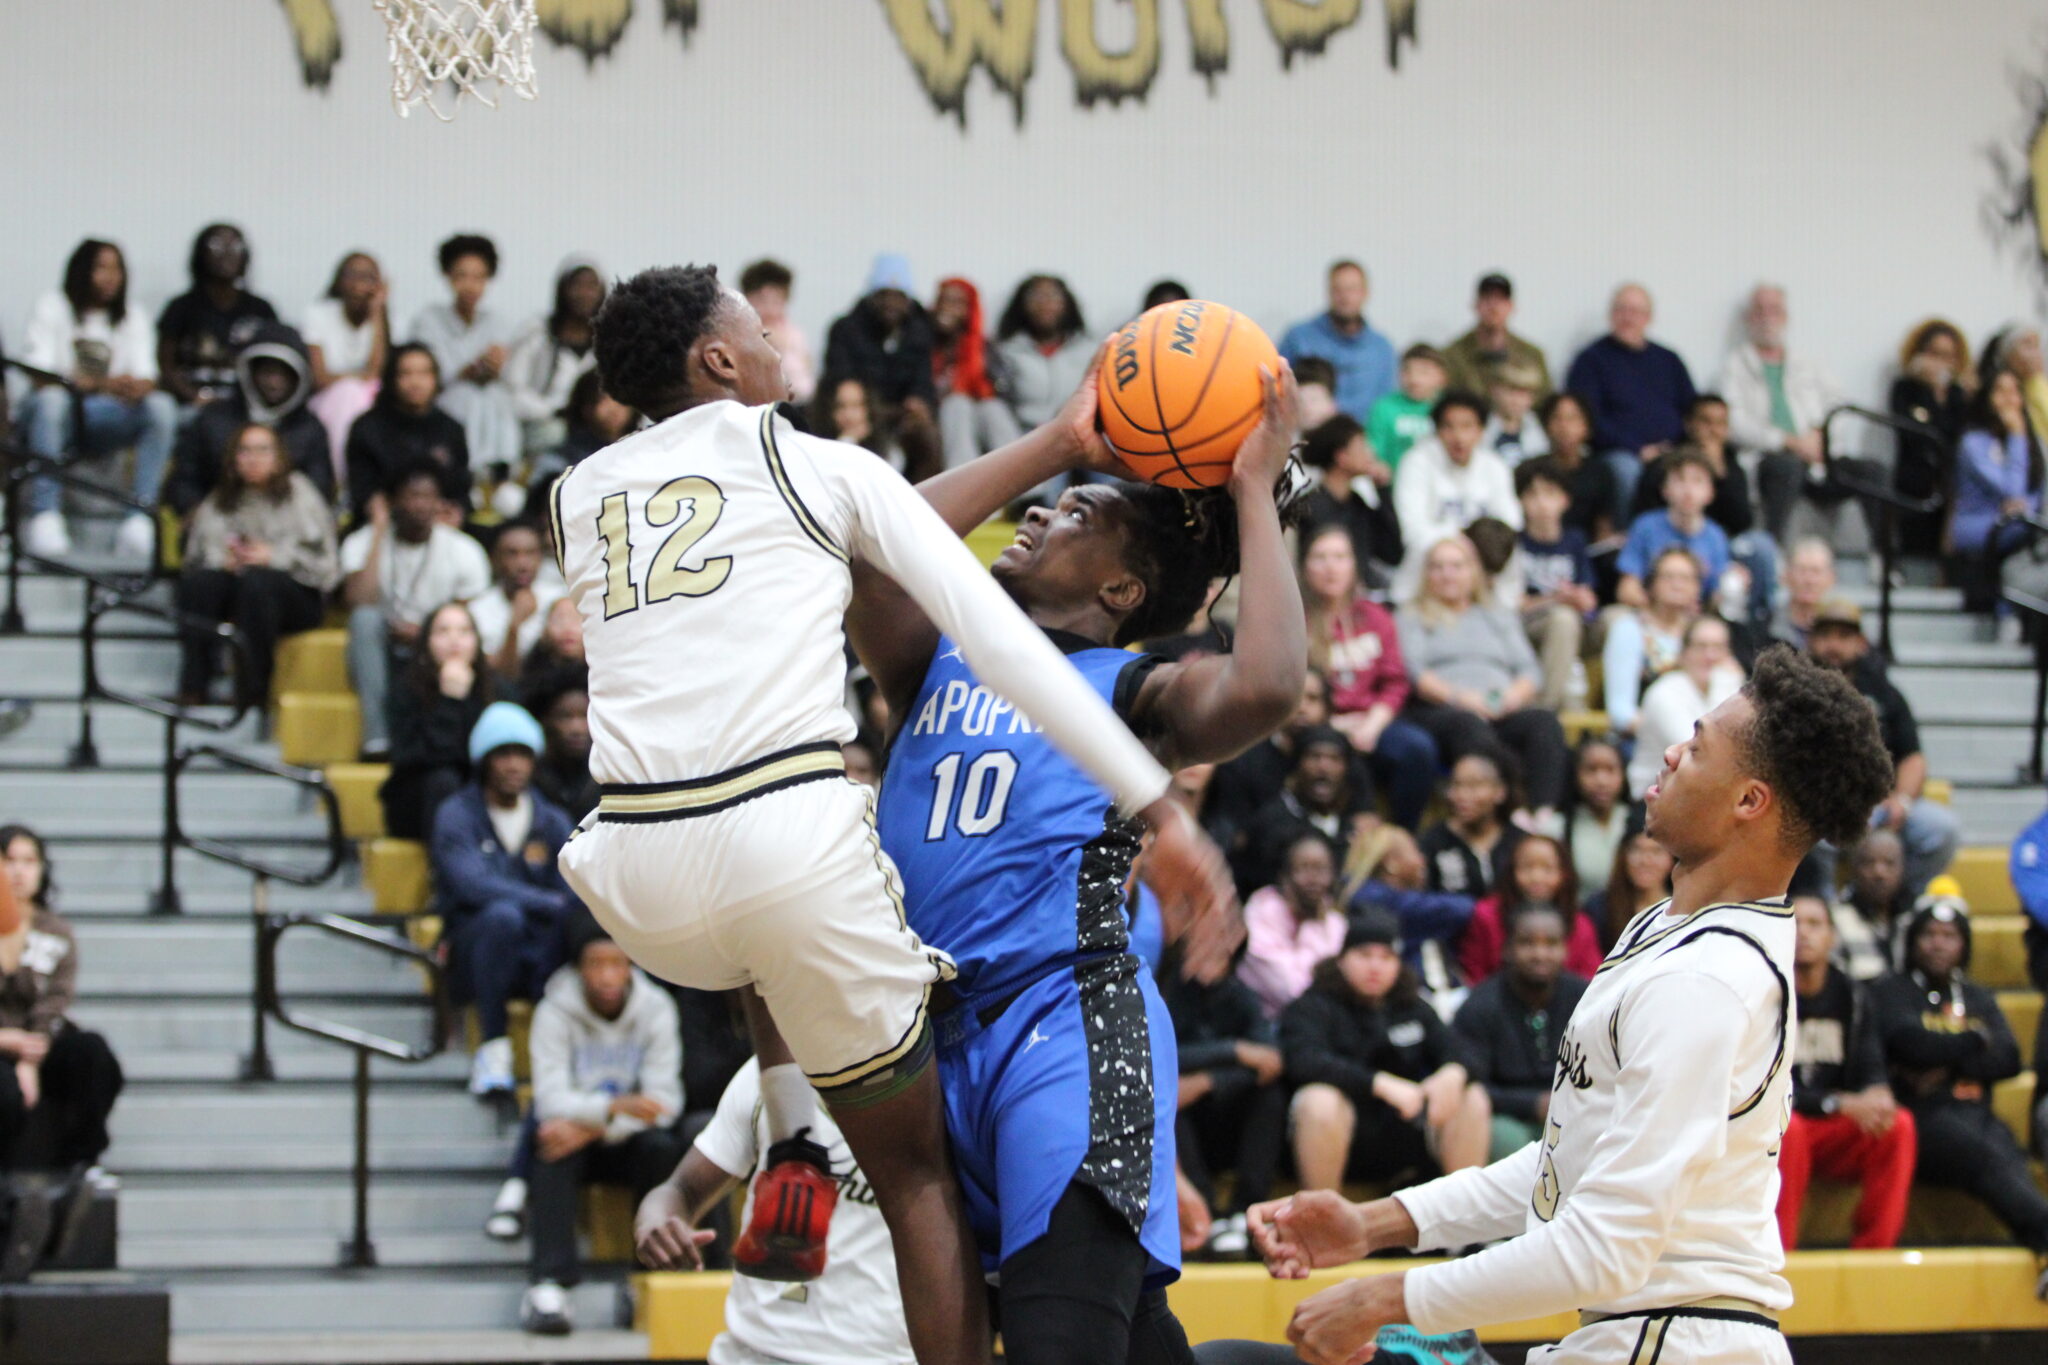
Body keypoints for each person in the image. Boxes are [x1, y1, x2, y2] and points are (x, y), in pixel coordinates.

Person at [553, 265, 1232, 1364]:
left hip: (630, 868)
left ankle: (792, 1140)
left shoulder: (579, 489)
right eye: (754, 320)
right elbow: (1001, 641)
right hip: (776, 836)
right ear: (719, 361)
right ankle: (803, 1151)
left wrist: (1057, 447)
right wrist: (1164, 807)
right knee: (913, 1169)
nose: (776, 330)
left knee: (782, 951)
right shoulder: (805, 460)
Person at [1248, 646, 1899, 1364]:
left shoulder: (1706, 983)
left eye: (1699, 745)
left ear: (1750, 800)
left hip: (1679, 1341)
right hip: (1633, 1334)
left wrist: (1386, 1298)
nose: (1674, 752)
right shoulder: (1666, 929)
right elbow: (1571, 1155)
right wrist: (1373, 1225)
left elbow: (1606, 1247)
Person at [850, 354, 1304, 1364]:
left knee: (1059, 1341)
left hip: (1064, 1025)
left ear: (1120, 586)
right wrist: (1059, 442)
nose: (1043, 512)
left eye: (1077, 510)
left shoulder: (1131, 690)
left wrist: (1251, 493)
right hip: (931, 1041)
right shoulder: (933, 655)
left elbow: (1268, 684)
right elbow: (865, 541)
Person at [635, 1056, 911, 1364]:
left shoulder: (937, 1076)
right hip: (757, 1351)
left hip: (886, 1355)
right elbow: (681, 1189)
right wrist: (655, 1221)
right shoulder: (769, 1073)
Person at [1873, 898, 2048, 1293]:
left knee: (2007, 1150)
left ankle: (2042, 1247)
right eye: (1929, 935)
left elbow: (2009, 1058)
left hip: (1974, 1115)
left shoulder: (1978, 996)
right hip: (1919, 1119)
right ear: (1913, 940)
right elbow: (1907, 1043)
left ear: (1964, 945)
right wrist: (1974, 1040)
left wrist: (1946, 1061)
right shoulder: (1891, 990)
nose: (1938, 944)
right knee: (1981, 1151)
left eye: (1949, 936)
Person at [519, 912, 682, 1334]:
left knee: (663, 1147)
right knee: (550, 1145)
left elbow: (666, 1102)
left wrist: (595, 1123)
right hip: (578, 1146)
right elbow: (551, 1099)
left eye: (619, 963)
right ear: (579, 968)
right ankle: (550, 1287)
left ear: (632, 966)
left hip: (623, 1142)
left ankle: (647, 1276)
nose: (609, 975)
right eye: (598, 964)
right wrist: (619, 1107)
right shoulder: (554, 1011)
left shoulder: (656, 1007)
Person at [1281, 911, 1492, 1191]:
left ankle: (1466, 1222)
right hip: (1336, 1133)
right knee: (1320, 1099)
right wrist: (1379, 1084)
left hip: (1403, 1130)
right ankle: (1322, 1218)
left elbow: (1466, 1050)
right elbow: (1302, 1060)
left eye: (1386, 957)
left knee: (1470, 1095)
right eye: (1365, 955)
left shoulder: (1411, 1005)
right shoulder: (1313, 1004)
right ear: (1342, 958)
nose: (1375, 966)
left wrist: (1453, 1073)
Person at [431, 702, 579, 1095]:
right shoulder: (457, 814)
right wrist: (545, 902)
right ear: (484, 761)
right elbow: (471, 886)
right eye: (503, 755)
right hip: (472, 948)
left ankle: (567, 1062)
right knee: (503, 917)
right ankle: (493, 1048)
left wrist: (556, 907)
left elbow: (569, 891)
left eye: (523, 755)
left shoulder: (552, 820)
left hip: (536, 950)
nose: (514, 765)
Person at [17, 238, 176, 560]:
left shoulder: (132, 314)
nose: (110, 277)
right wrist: (103, 384)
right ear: (81, 270)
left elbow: (147, 376)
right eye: (101, 268)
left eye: (117, 269)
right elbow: (41, 376)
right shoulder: (54, 305)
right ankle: (45, 515)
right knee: (52, 402)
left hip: (109, 415)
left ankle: (139, 517)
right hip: (59, 414)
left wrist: (136, 387)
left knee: (161, 407)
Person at [1774, 895, 1915, 1252]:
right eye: (1795, 923)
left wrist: (1877, 1091)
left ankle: (1874, 1254)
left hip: (1830, 1128)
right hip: (1775, 1129)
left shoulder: (1852, 995)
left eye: (1814, 924)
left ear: (1833, 938)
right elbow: (1761, 1086)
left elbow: (1870, 1067)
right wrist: (1836, 1102)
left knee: (1898, 1125)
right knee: (1789, 1130)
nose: (1803, 933)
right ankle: (1775, 1257)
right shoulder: (1764, 994)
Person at [1397, 535, 1568, 815]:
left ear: (1473, 571)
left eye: (1456, 566)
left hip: (1500, 706)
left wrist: (1511, 697)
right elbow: (1414, 671)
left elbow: (1529, 670)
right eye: (1438, 567)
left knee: (1544, 723)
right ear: (1426, 574)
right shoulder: (1411, 615)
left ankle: (1543, 815)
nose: (1447, 574)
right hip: (1443, 711)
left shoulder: (1497, 615)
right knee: (1469, 725)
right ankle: (1512, 805)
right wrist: (1461, 698)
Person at [175, 422, 339, 706]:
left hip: (296, 595)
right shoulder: (222, 497)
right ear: (233, 459)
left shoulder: (300, 493)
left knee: (258, 582)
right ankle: (195, 685)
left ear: (278, 458)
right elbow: (195, 557)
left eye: (263, 450)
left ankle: (253, 694)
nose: (253, 458)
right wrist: (224, 560)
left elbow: (327, 567)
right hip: (239, 586)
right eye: (245, 451)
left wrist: (273, 556)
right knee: (201, 584)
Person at [1806, 597, 1960, 896]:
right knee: (1811, 839)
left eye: (1843, 636)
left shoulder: (1883, 692)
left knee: (1941, 829)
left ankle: (1898, 904)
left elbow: (1912, 757)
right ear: (1811, 641)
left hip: (1882, 806)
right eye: (1825, 636)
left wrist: (1901, 801)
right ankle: (1827, 910)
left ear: (1861, 643)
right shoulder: (1796, 688)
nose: (1833, 646)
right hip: (1822, 808)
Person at [340, 463, 491, 760]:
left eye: (428, 496)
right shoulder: (362, 541)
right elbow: (359, 599)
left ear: (440, 503)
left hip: (435, 651)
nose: (420, 504)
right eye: (412, 496)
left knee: (454, 629)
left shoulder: (464, 549)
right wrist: (379, 529)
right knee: (364, 620)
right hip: (381, 650)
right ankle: (377, 739)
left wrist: (425, 634)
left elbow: (468, 618)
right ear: (393, 501)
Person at [0, 826, 124, 1172]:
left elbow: (56, 1000)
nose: (18, 871)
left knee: (92, 1054)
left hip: (40, 1042)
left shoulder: (55, 931)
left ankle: (79, 1168)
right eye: (8, 861)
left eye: (29, 861)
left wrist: (30, 1057)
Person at [1299, 528, 1436, 829]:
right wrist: (1330, 724)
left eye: (1339, 557)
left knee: (1418, 749)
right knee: (1339, 758)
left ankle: (1403, 834)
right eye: (1320, 558)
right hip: (1317, 726)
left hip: (1373, 721)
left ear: (1354, 565)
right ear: (1304, 567)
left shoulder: (1375, 616)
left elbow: (1395, 682)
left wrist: (1372, 725)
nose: (1331, 567)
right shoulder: (1293, 620)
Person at [1160, 939, 1289, 1239]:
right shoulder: (1167, 993)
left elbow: (1270, 1061)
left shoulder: (1242, 996)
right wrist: (1236, 1051)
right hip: (1183, 1122)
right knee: (1168, 1099)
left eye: (1218, 951)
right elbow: (1160, 1053)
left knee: (1271, 1097)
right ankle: (1203, 1208)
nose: (1209, 959)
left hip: (1229, 1114)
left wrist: (1208, 1082)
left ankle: (1249, 1208)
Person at [1453, 902, 1588, 1160]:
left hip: (1573, 1114)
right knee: (1506, 1139)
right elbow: (1470, 1087)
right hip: (1505, 1117)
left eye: (1551, 944)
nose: (1540, 954)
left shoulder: (1585, 998)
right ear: (1507, 949)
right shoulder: (1481, 1005)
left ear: (1565, 949)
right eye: (1527, 943)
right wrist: (1533, 1104)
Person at [163, 320, 333, 516]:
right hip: (220, 524)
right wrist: (195, 511)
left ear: (299, 377)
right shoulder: (212, 420)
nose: (274, 382)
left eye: (284, 374)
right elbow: (184, 480)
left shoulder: (311, 429)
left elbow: (318, 493)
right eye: (268, 372)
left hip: (286, 531)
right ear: (250, 372)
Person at [1723, 285, 1847, 546]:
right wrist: (1786, 441)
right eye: (1760, 310)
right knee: (1786, 465)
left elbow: (1839, 406)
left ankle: (1883, 556)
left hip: (1818, 456)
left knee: (1872, 471)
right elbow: (1733, 423)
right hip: (1769, 458)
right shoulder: (1733, 367)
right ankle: (1774, 548)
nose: (1768, 318)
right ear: (1748, 319)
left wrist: (1819, 437)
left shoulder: (1809, 365)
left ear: (1786, 317)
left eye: (1775, 310)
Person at [1563, 283, 1696, 513]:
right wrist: (1637, 449)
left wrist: (1676, 447)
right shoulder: (1591, 360)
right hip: (1617, 453)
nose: (1628, 318)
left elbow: (1691, 410)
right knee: (1626, 470)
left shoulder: (1669, 360)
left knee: (1695, 470)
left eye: (1636, 312)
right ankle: (1632, 539)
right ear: (1611, 315)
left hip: (1672, 450)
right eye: (1621, 310)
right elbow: (1588, 418)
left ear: (1649, 317)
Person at [383, 600, 499, 841]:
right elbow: (416, 757)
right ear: (426, 642)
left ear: (477, 642)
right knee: (443, 780)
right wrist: (450, 701)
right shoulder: (405, 689)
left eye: (464, 631)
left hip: (482, 789)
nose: (454, 640)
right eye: (442, 631)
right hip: (418, 798)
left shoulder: (496, 689)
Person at [412, 233, 522, 470]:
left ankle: (500, 470)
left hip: (488, 400)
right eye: (462, 275)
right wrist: (469, 370)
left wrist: (494, 368)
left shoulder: (497, 322)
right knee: (469, 397)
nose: (470, 285)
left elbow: (508, 376)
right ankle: (469, 468)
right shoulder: (429, 319)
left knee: (494, 396)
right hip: (448, 399)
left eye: (479, 277)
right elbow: (430, 375)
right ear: (448, 276)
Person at [1343, 825, 1478, 1003]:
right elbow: (1463, 908)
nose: (1422, 860)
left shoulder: (1366, 892)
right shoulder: (1376, 899)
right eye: (1415, 851)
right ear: (1391, 864)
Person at [343, 343, 472, 526]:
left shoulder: (451, 429)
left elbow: (461, 490)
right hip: (382, 524)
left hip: (440, 526)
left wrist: (456, 512)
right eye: (406, 374)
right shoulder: (367, 428)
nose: (416, 382)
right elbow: (362, 492)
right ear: (391, 379)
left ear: (435, 379)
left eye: (424, 373)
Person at [155, 223, 277, 409]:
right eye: (217, 245)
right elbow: (166, 366)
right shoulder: (181, 307)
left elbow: (275, 364)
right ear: (201, 254)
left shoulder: (261, 309)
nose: (227, 253)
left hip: (247, 406)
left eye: (236, 246)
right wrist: (193, 396)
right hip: (191, 403)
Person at [1237, 728, 1370, 898]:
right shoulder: (1270, 822)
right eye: (1314, 757)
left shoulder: (1351, 828)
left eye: (1334, 759)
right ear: (1296, 765)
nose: (1324, 767)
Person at [1457, 833, 1604, 985]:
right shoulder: (1486, 916)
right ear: (1511, 871)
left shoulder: (1580, 925)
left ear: (1564, 874)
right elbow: (1474, 977)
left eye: (1548, 869)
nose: (1537, 878)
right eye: (1527, 867)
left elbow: (1592, 984)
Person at [1951, 367, 2043, 608]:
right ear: (1987, 398)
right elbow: (2011, 490)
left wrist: (2027, 507)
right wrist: (2016, 435)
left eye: (2014, 392)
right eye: (2000, 391)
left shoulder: (2035, 444)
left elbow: (2037, 493)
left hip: (2019, 522)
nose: (2009, 399)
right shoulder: (1973, 443)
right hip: (1979, 523)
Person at [1628, 616, 1743, 799]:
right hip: (1654, 798)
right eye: (1701, 646)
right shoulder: (1663, 692)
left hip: (1705, 796)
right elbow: (1698, 751)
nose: (1710, 656)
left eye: (1718, 648)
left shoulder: (1727, 684)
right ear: (1684, 652)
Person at [1238, 831, 1349, 1021]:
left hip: (1325, 1022)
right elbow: (1291, 991)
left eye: (1322, 869)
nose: (1313, 879)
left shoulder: (1335, 923)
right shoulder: (1260, 914)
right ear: (1285, 875)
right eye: (1304, 868)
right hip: (1268, 1024)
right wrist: (1310, 927)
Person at [1514, 459, 1596, 711]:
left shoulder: (1575, 540)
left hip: (1577, 623)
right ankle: (1546, 708)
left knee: (1618, 619)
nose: (1542, 503)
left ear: (1565, 500)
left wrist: (1578, 598)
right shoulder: (1516, 543)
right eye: (1532, 495)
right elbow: (1515, 605)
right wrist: (1556, 599)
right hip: (1528, 625)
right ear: (1520, 502)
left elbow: (1589, 598)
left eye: (1550, 493)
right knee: (1563, 619)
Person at [506, 256, 605, 462]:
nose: (585, 294)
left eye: (591, 286)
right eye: (577, 286)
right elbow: (513, 389)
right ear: (562, 290)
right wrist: (551, 410)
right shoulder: (536, 333)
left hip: (596, 427)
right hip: (543, 424)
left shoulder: (609, 340)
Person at [301, 251, 390, 478]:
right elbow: (319, 378)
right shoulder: (317, 314)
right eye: (353, 274)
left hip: (369, 404)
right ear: (339, 281)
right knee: (348, 393)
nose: (360, 283)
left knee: (355, 394)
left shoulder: (382, 320)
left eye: (369, 277)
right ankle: (344, 479)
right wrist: (355, 379)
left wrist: (378, 311)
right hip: (326, 402)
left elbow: (377, 375)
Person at [1889, 319, 1974, 556]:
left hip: (1952, 484)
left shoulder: (1959, 395)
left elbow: (1956, 435)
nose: (1941, 363)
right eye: (1935, 354)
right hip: (1915, 482)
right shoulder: (1905, 388)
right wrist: (1929, 390)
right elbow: (1915, 435)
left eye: (1948, 356)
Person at [1602, 546, 1706, 739]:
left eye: (1685, 578)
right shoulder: (1630, 629)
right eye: (1668, 577)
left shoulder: (1704, 633)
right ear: (1651, 583)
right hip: (1646, 738)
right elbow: (1620, 711)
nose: (1677, 585)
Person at [1279, 260, 1397, 423]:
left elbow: (1388, 406)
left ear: (1365, 293)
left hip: (1362, 440)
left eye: (1352, 289)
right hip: (1310, 439)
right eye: (1338, 290)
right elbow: (1279, 391)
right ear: (1328, 292)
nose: (1345, 297)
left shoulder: (1382, 349)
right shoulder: (1299, 338)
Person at [1615, 449, 1733, 609]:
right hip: (1649, 615)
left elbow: (1716, 596)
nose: (1688, 490)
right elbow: (1626, 589)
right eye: (1680, 480)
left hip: (1693, 621)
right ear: (1665, 489)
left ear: (1710, 492)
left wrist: (1733, 586)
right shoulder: (1645, 526)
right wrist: (1663, 610)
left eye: (1697, 481)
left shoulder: (1716, 536)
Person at [1297, 417, 1402, 587]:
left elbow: (1392, 553)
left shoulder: (1357, 504)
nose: (1371, 453)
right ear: (1342, 456)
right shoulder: (1309, 506)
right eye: (1362, 446)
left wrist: (1383, 490)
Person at [930, 275, 1019, 466]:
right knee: (957, 404)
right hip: (940, 416)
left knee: (992, 408)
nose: (948, 307)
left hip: (978, 419)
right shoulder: (922, 343)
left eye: (957, 303)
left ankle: (1026, 488)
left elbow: (1004, 391)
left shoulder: (984, 349)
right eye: (943, 300)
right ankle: (961, 476)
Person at [993, 273, 1094, 439]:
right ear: (1021, 305)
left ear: (1067, 303)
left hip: (1075, 436)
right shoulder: (1006, 351)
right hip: (1019, 439)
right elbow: (1001, 402)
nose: (1045, 303)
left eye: (1053, 295)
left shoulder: (1089, 349)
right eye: (1036, 296)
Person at [1418, 751, 1521, 899]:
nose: (1462, 795)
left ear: (1500, 791)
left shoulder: (1519, 842)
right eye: (1456, 785)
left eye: (1474, 786)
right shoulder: (1432, 843)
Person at [468, 522, 564, 678]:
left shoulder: (559, 599)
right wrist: (514, 626)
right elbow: (502, 677)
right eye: (512, 554)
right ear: (495, 559)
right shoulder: (478, 610)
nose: (523, 564)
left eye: (531, 553)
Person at [1442, 273, 1551, 401]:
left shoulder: (1532, 355)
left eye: (1501, 299)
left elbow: (1545, 401)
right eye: (1487, 298)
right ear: (1476, 305)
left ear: (1511, 306)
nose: (1493, 306)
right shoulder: (1452, 355)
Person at [1535, 390, 1622, 542]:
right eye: (1557, 418)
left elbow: (1604, 526)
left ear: (1586, 427)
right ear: (1546, 425)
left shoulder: (1600, 472)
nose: (1564, 427)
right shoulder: (1533, 470)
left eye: (1572, 419)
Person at [1831, 828, 1910, 982]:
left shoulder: (1913, 918)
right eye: (1868, 862)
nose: (1879, 873)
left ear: (1903, 869)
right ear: (1853, 869)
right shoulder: (1834, 918)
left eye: (1889, 863)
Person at [739, 258, 816, 404]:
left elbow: (805, 385)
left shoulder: (796, 336)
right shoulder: (739, 336)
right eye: (761, 301)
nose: (770, 310)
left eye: (777, 301)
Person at [525, 666, 596, 821]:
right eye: (565, 717)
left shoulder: (604, 775)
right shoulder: (532, 778)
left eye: (584, 716)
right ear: (546, 720)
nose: (576, 729)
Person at [1585, 826, 1674, 948]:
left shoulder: (1683, 907)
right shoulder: (1598, 908)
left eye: (1656, 851)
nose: (1645, 861)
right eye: (1637, 850)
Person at [1368, 345, 1451, 475]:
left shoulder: (1450, 408)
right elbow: (1374, 452)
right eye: (1407, 371)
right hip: (1394, 485)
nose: (1414, 379)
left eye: (1423, 372)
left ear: (1442, 376)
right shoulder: (1384, 408)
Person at [1565, 734, 1629, 897]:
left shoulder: (1641, 821)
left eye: (1610, 770)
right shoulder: (1557, 827)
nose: (1601, 780)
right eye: (1591, 770)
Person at [1772, 537, 1835, 653]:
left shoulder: (1842, 629)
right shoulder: (1767, 627)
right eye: (1802, 571)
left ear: (1830, 579)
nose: (1809, 580)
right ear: (1787, 576)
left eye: (1816, 572)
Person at [1482, 362, 1549, 465]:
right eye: (1511, 391)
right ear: (1494, 390)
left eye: (1524, 393)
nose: (1517, 400)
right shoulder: (1482, 426)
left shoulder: (1539, 430)